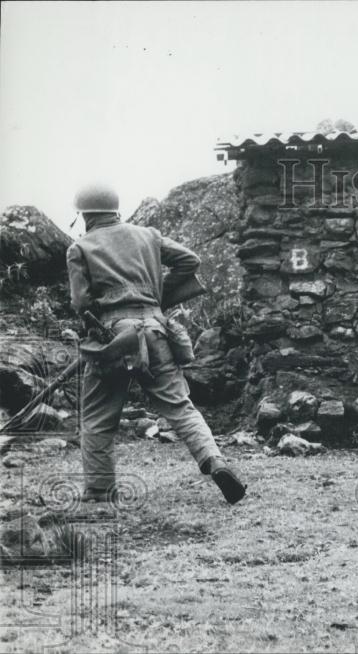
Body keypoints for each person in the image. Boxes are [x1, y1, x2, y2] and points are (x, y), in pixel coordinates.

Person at [66, 183, 246, 504]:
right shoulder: (148, 234)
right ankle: (214, 461)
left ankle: (99, 492)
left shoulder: (80, 248)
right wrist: (154, 298)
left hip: (113, 339)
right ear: (115, 209)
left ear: (84, 215)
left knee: (97, 418)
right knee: (180, 408)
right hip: (157, 330)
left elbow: (80, 304)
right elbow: (190, 261)